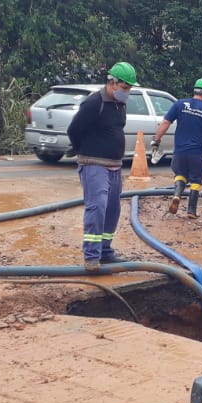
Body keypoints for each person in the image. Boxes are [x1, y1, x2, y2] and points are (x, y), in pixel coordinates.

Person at [67, 61, 138, 273]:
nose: (127, 92)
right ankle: (91, 256)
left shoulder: (119, 104)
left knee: (112, 210)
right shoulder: (93, 103)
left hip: (115, 165)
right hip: (93, 163)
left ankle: (105, 252)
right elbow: (74, 130)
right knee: (97, 207)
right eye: (125, 88)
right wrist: (85, 151)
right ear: (112, 83)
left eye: (129, 89)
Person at [153, 77, 202, 218]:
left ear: (195, 91)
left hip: (180, 153)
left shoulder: (180, 104)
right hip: (197, 154)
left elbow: (165, 123)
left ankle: (177, 195)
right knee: (196, 180)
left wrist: (156, 139)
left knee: (180, 175)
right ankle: (191, 211)